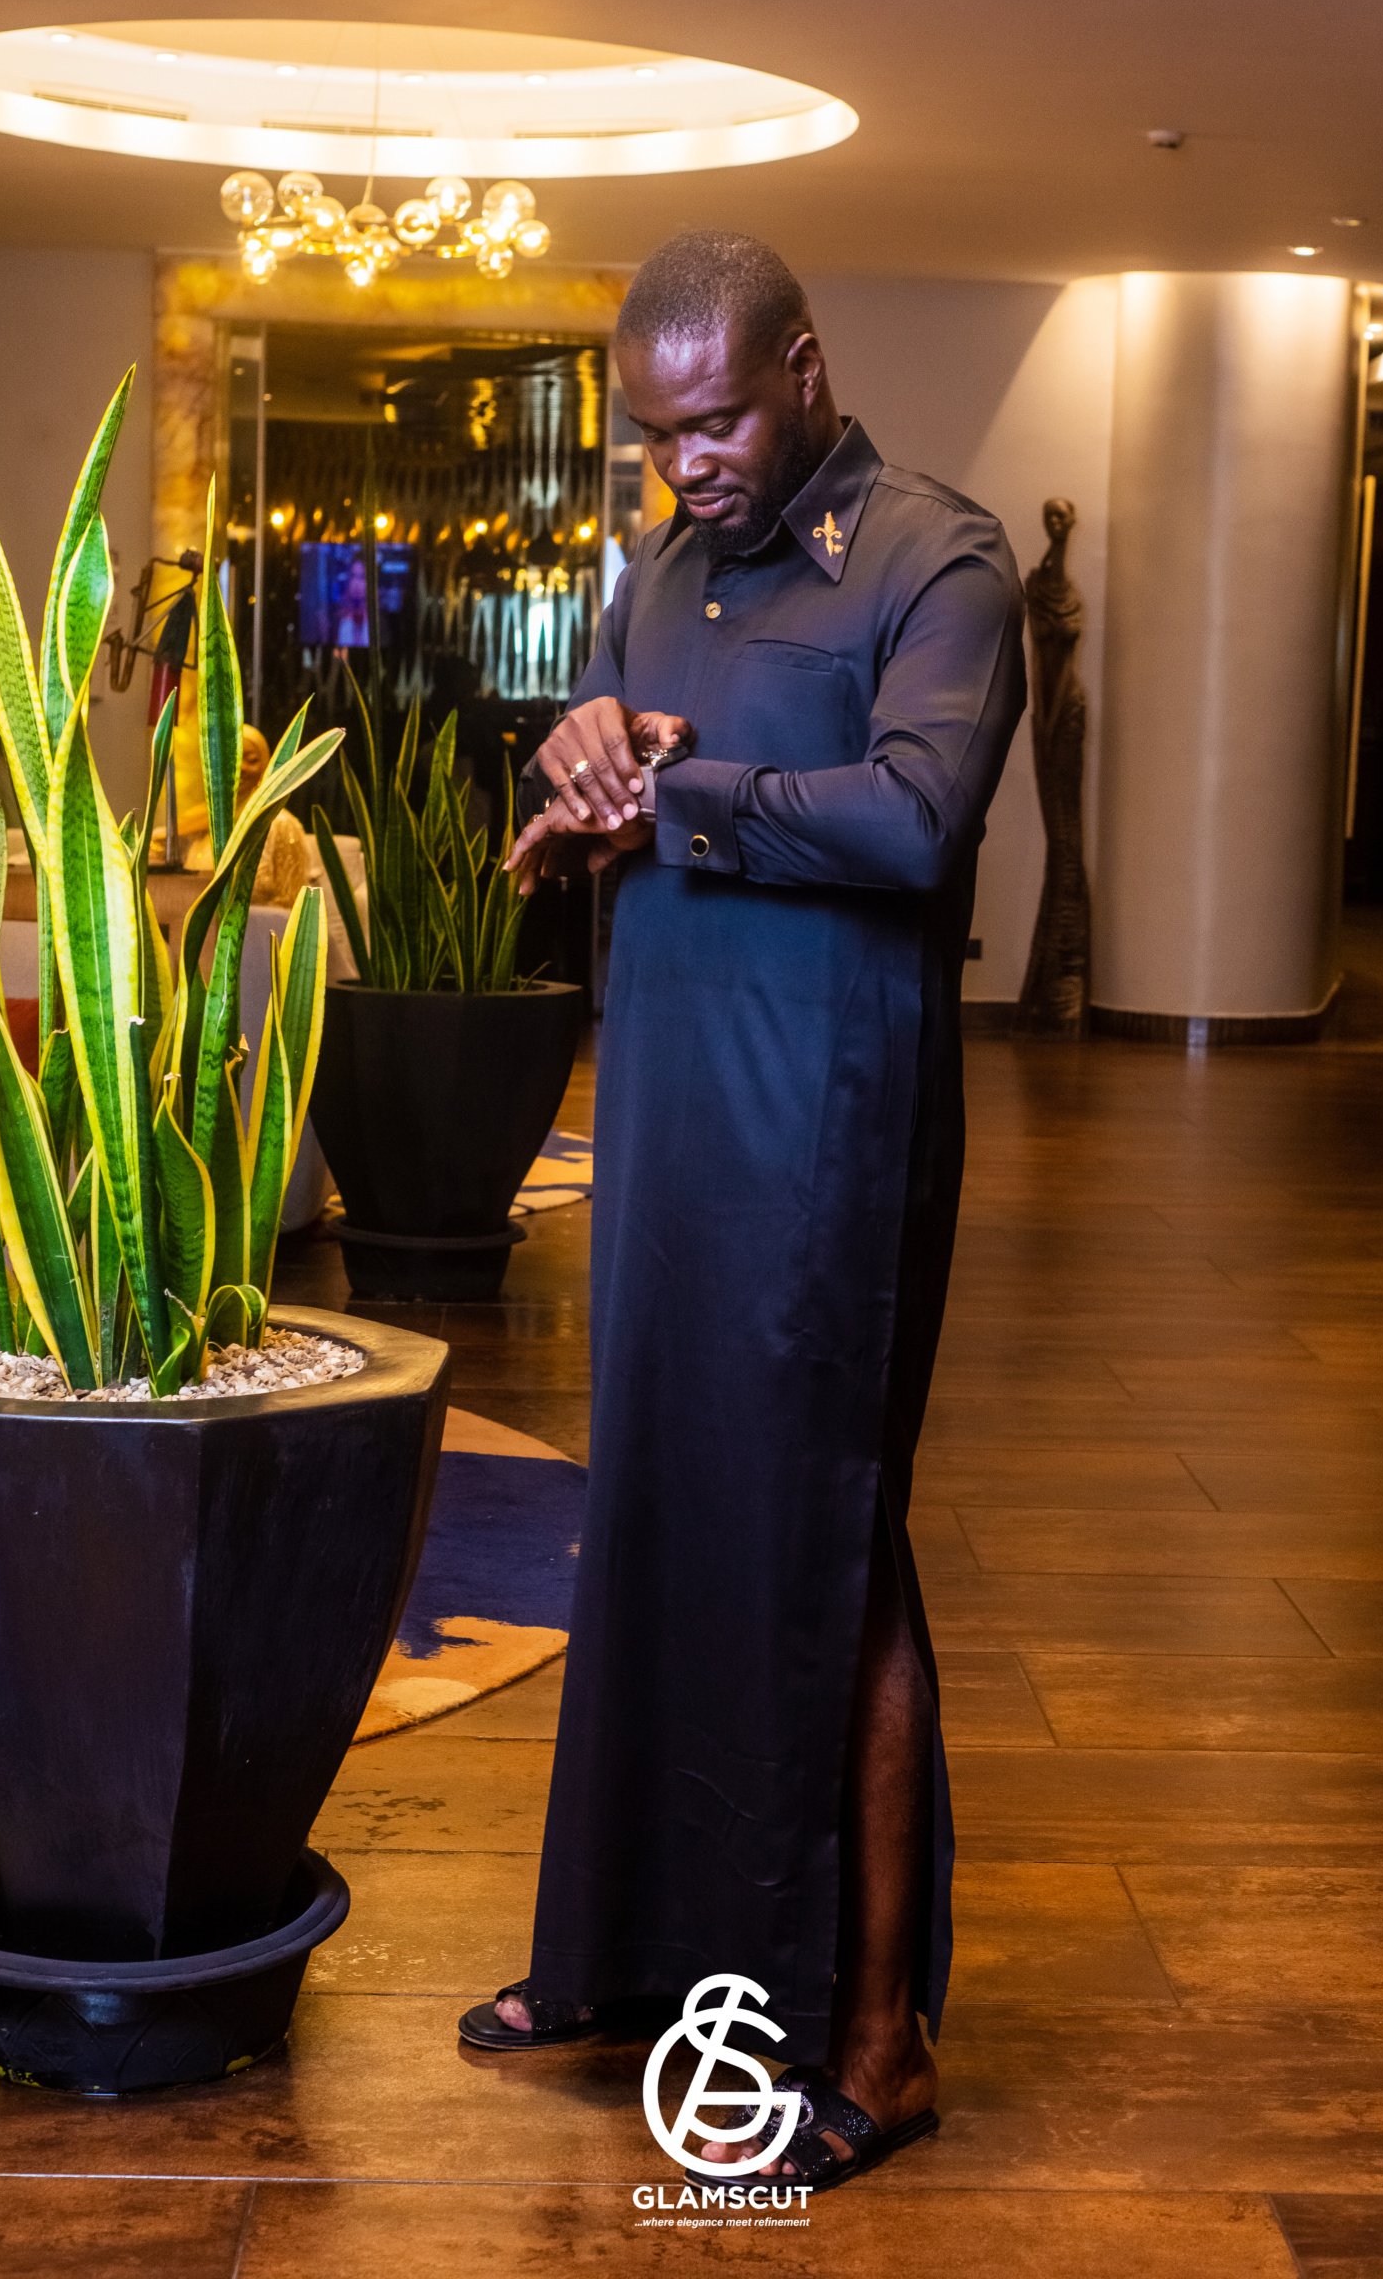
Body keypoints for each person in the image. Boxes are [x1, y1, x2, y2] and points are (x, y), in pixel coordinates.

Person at [457, 230, 1025, 2194]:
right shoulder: (661, 568)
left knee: (825, 1540)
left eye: (710, 423)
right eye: (651, 434)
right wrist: (576, 769)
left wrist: (682, 786)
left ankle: (876, 2036)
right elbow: (604, 756)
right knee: (661, 1507)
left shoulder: (938, 559)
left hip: (833, 1120)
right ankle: (625, 1958)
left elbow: (915, 818)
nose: (682, 462)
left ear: (801, 367)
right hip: (669, 1096)